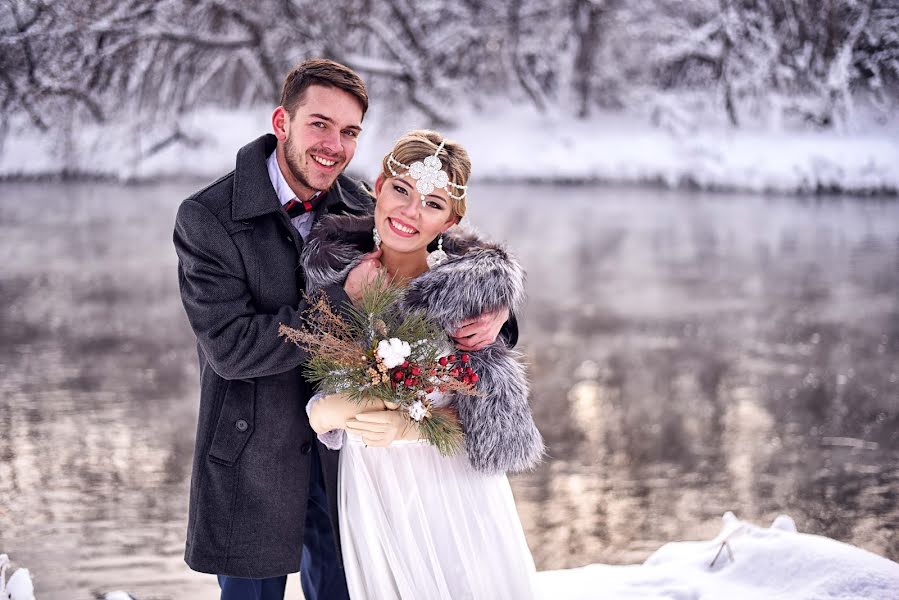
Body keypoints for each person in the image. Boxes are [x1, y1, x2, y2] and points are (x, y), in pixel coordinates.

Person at [173, 60, 513, 600]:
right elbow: (231, 349)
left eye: (350, 131)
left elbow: (439, 255)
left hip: (350, 459)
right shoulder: (208, 218)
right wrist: (340, 299)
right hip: (254, 454)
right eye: (319, 124)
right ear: (282, 120)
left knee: (343, 588)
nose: (334, 144)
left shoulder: (362, 199)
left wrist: (498, 311)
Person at [302, 130, 544, 599]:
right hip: (371, 488)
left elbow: (492, 423)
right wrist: (336, 408)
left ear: (452, 218)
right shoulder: (334, 279)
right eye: (400, 191)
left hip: (449, 489)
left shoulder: (468, 301)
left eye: (432, 204)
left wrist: (405, 428)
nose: (410, 213)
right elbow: (315, 399)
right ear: (377, 186)